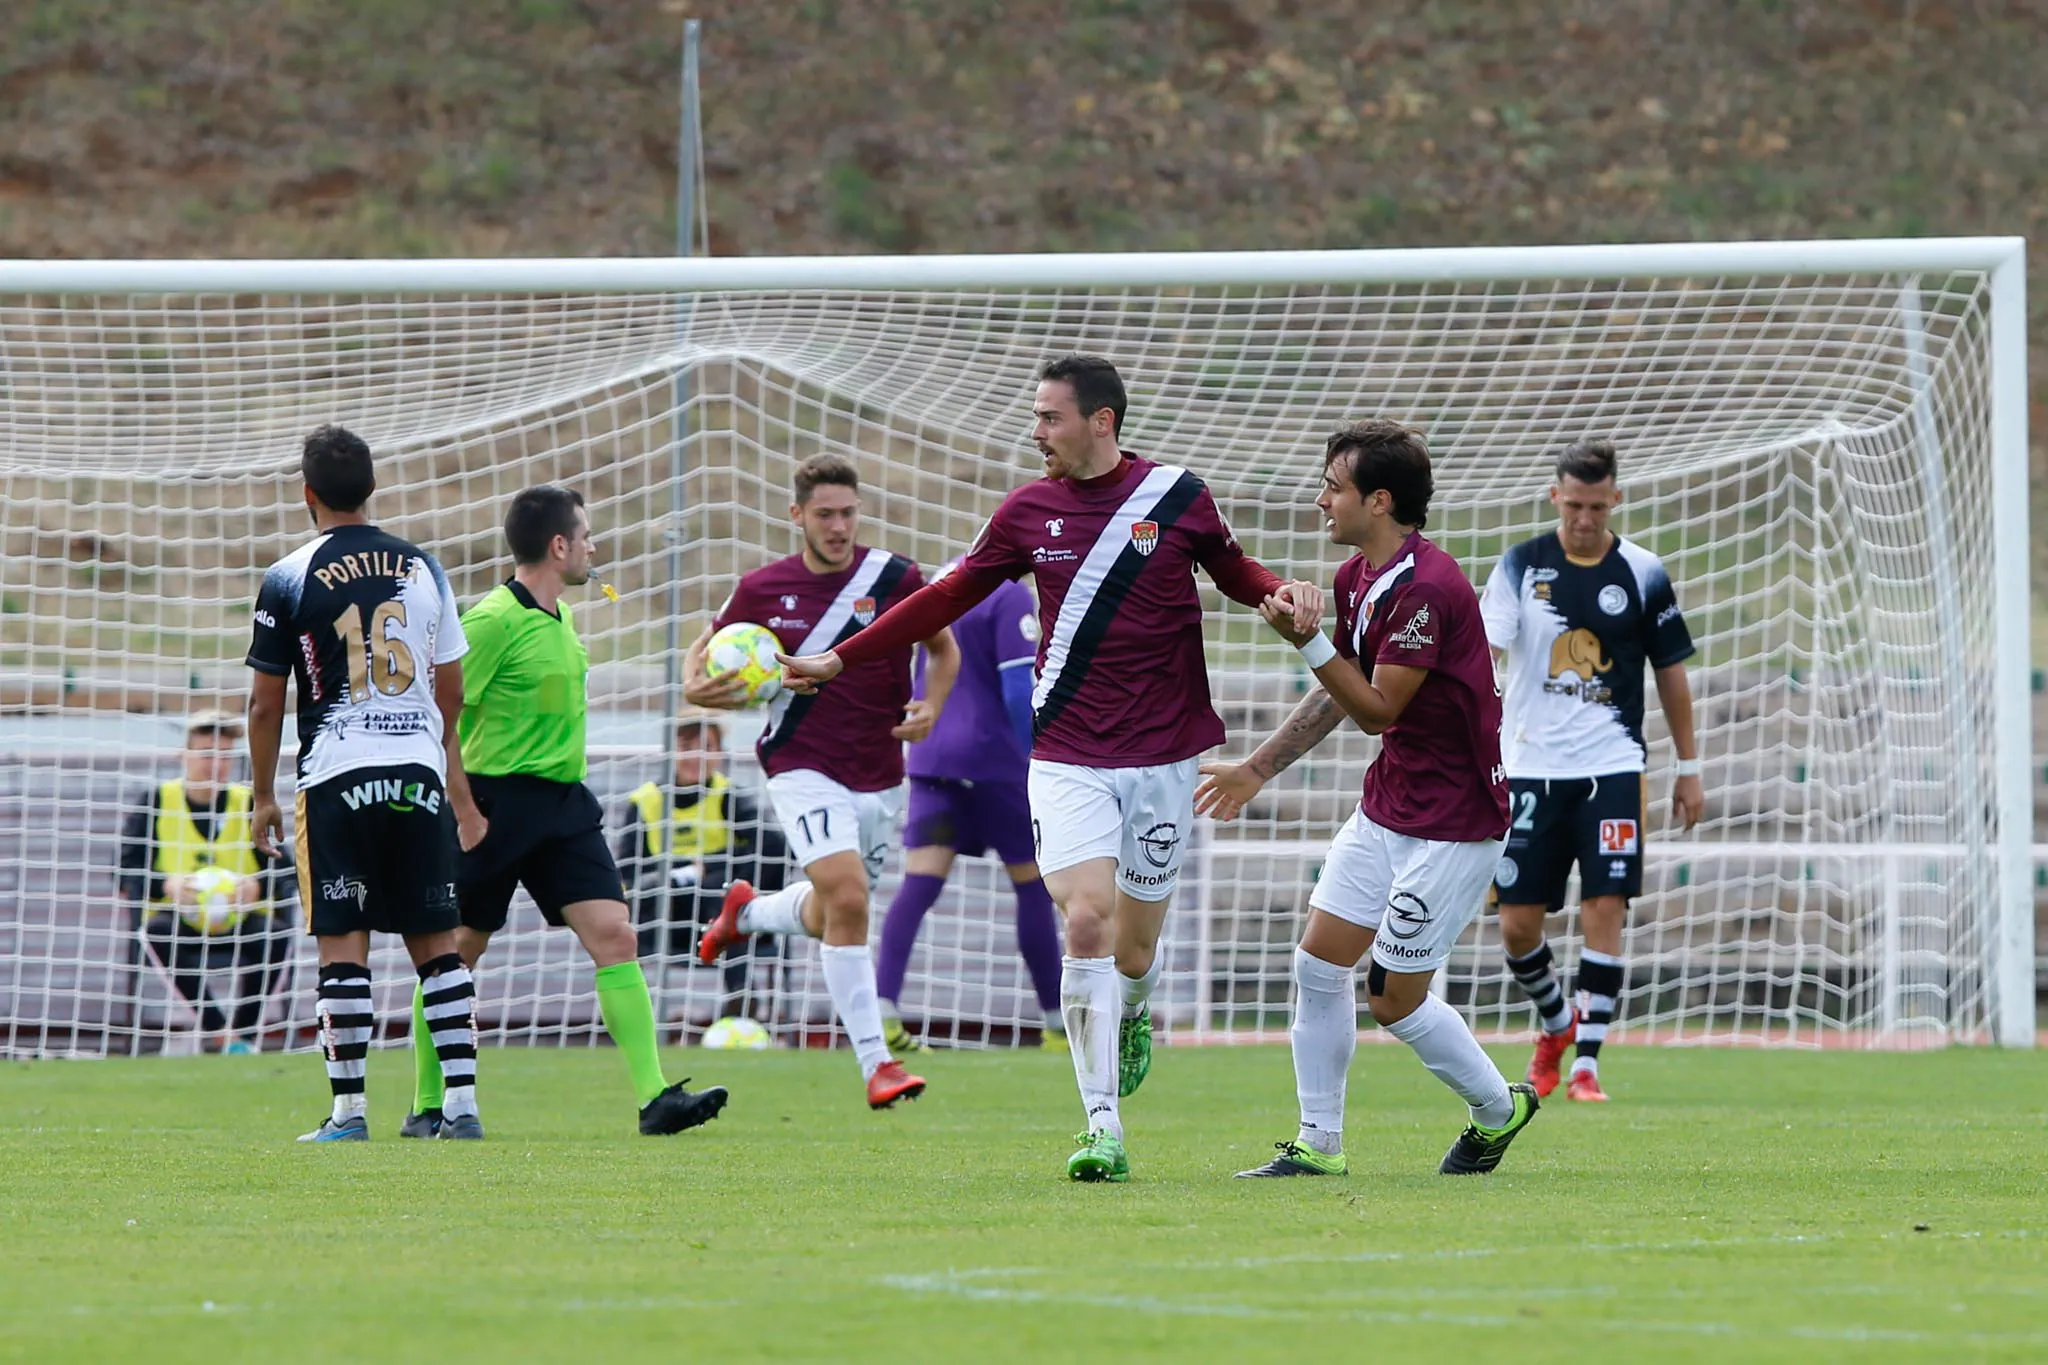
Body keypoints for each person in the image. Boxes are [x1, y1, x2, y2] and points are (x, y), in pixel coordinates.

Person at [780, 355, 1320, 1182]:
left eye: (1049, 418)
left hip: (1168, 753)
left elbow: (1237, 572)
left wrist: (1283, 593)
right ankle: (1102, 1126)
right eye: (1036, 417)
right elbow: (946, 596)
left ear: (1101, 421)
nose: (1036, 432)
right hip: (1067, 752)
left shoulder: (1177, 495)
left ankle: (1133, 1010)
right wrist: (840, 659)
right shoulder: (1027, 511)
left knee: (1136, 951)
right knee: (1087, 919)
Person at [1195, 418, 1539, 1178]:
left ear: (1378, 501)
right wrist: (1257, 767)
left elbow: (1378, 706)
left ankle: (1497, 1107)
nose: (1320, 501)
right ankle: (1319, 1143)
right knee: (1318, 964)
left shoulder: (1430, 587)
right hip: (1388, 809)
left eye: (1332, 487)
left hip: (1454, 825)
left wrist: (1307, 643)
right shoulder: (1357, 580)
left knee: (1392, 997)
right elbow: (1343, 694)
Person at [405, 485, 729, 1138]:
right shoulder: (492, 620)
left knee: (616, 934)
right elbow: (438, 718)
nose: (594, 547)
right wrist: (464, 810)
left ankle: (655, 1098)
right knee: (457, 953)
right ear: (559, 546)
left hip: (564, 806)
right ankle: (427, 1102)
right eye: (586, 536)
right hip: (494, 805)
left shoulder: (563, 616)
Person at [689, 454, 959, 1109]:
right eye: (824, 515)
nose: (838, 526)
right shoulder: (760, 588)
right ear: (797, 516)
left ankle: (746, 913)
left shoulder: (894, 576)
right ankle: (878, 1064)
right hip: (799, 762)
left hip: (879, 773)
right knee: (849, 894)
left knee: (835, 907)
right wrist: (699, 686)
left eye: (847, 513)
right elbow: (701, 657)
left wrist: (933, 707)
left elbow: (943, 649)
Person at [244, 424, 485, 1142]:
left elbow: (264, 702)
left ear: (308, 493)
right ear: (373, 488)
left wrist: (261, 794)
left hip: (335, 774)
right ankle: (464, 1108)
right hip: (416, 770)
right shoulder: (424, 568)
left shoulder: (289, 574)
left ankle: (349, 1112)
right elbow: (452, 691)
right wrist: (429, 751)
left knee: (342, 940)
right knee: (436, 941)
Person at [1479, 437, 1702, 1103]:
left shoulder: (1642, 570)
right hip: (1528, 768)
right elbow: (1486, 655)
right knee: (1517, 925)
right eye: (1574, 504)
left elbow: (1671, 673)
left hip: (1612, 768)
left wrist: (1689, 766)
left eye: (1596, 507)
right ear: (1555, 496)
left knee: (1606, 906)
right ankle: (1556, 1023)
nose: (1584, 518)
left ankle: (1588, 1066)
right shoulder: (1520, 565)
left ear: (1616, 500)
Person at [871, 561, 1064, 1053]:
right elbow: (1020, 690)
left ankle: (883, 1009)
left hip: (933, 756)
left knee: (918, 883)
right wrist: (1038, 756)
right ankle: (1056, 1022)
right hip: (996, 762)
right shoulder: (1010, 595)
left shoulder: (942, 580)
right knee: (1032, 886)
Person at [117, 709, 294, 1054]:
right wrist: (166, 885)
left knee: (275, 934)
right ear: (184, 755)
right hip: (180, 917)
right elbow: (126, 868)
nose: (216, 764)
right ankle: (217, 1030)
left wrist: (256, 886)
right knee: (157, 932)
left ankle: (241, 1036)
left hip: (238, 917)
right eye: (207, 753)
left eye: (225, 755)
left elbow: (285, 870)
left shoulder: (248, 804)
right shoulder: (156, 801)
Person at [615, 709, 790, 1021]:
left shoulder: (729, 797)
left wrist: (710, 866)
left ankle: (741, 998)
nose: (696, 756)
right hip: (665, 916)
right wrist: (682, 870)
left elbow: (776, 849)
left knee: (726, 894)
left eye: (707, 747)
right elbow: (627, 872)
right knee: (645, 894)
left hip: (720, 915)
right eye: (687, 747)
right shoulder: (645, 802)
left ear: (720, 753)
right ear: (671, 751)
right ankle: (628, 1006)